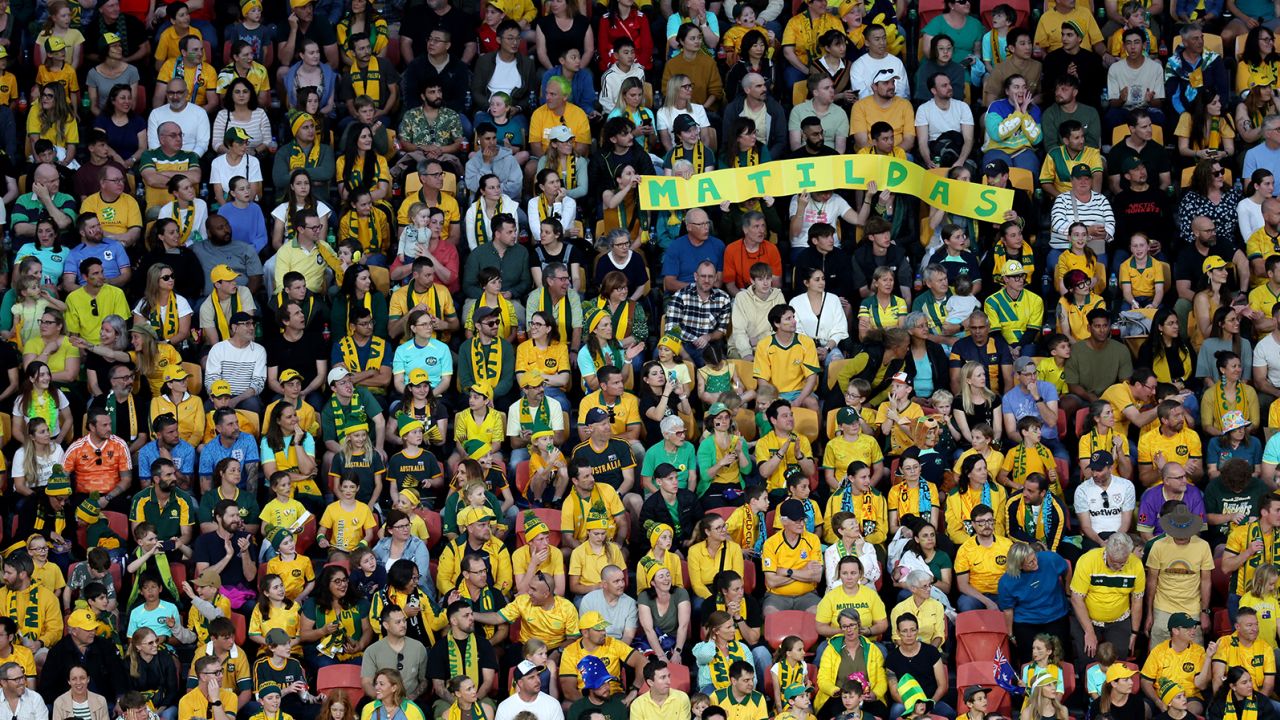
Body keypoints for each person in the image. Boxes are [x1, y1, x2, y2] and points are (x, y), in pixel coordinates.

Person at [1070, 533, 1145, 661]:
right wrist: (1089, 632)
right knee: (1088, 656)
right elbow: (1076, 599)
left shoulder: (1136, 565)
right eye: (1115, 563)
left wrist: (1134, 633)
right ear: (1107, 552)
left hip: (1119, 620)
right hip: (1088, 619)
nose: (1118, 567)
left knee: (1119, 659)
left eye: (1123, 563)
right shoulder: (1088, 560)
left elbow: (1137, 600)